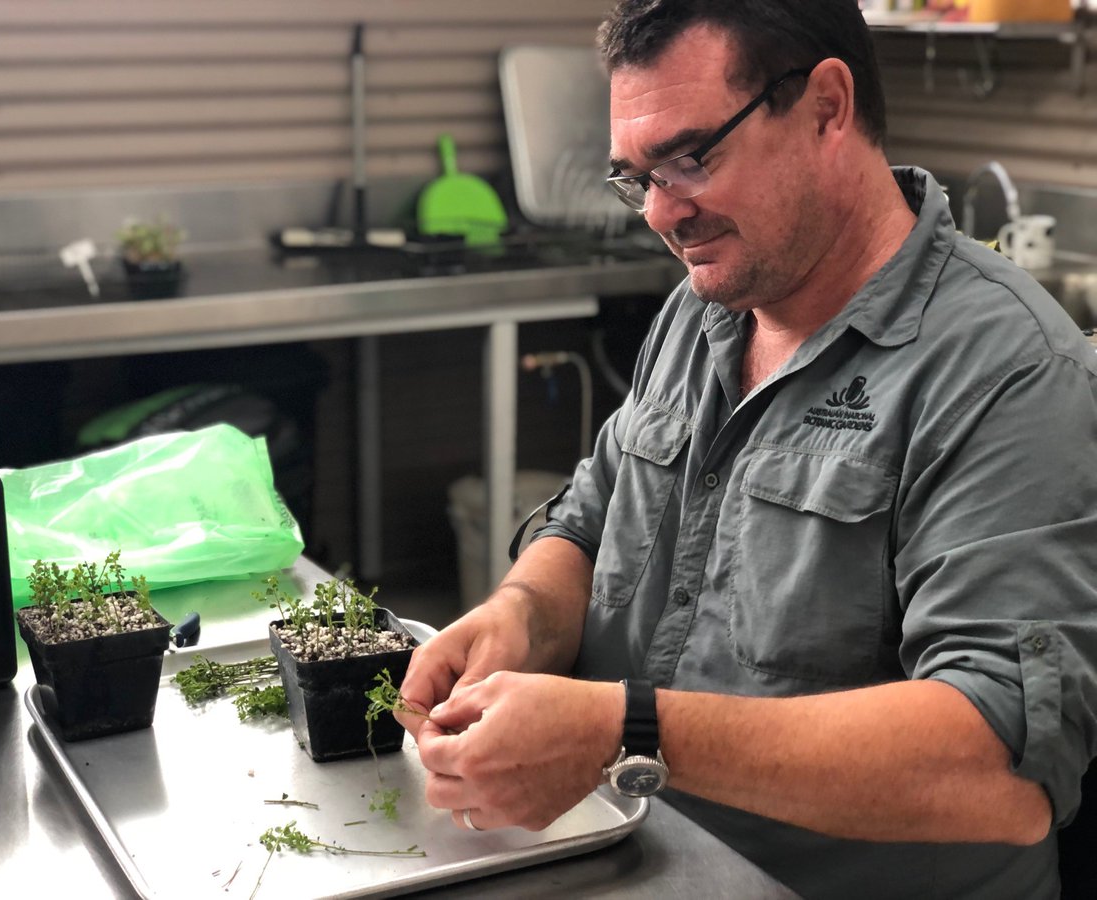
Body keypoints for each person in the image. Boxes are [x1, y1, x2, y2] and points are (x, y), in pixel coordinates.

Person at [396, 1, 1097, 896]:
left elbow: (1002, 774)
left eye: (691, 158)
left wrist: (625, 731)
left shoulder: (1006, 370)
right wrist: (522, 615)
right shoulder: (706, 305)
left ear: (826, 107)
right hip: (641, 861)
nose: (661, 213)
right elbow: (593, 514)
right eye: (634, 177)